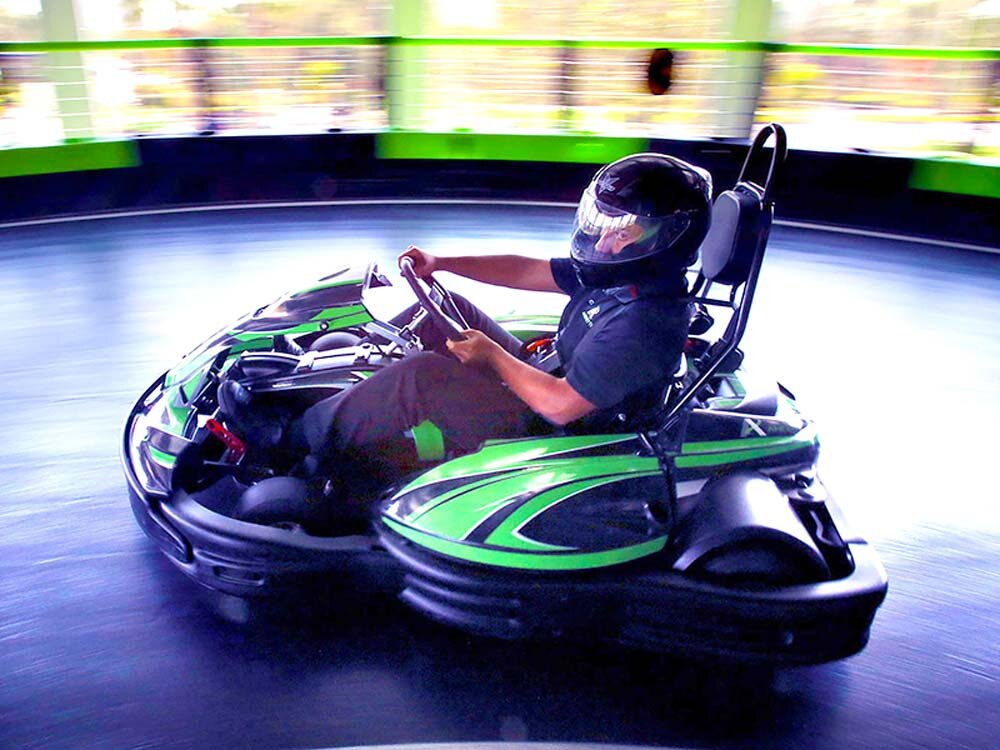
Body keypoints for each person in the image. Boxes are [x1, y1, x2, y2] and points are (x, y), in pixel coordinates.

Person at [222, 152, 712, 496]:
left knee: (419, 378)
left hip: (551, 431)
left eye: (624, 233)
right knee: (450, 308)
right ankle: (356, 405)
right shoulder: (621, 275)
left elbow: (562, 408)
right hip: (548, 374)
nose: (604, 242)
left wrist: (492, 356)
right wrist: (443, 263)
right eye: (606, 227)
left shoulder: (646, 322)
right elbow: (529, 270)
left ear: (666, 238)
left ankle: (286, 440)